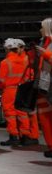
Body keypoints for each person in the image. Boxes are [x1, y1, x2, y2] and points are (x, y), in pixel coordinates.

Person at [0, 38, 27, 146]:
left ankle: (14, 136)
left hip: (10, 90)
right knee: (22, 113)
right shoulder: (24, 60)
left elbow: (1, 81)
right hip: (22, 90)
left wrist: (1, 86)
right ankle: (25, 136)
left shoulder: (5, 62)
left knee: (10, 113)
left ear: (7, 49)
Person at [15, 39, 40, 146]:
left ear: (22, 48)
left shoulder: (26, 58)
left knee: (24, 113)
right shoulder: (28, 57)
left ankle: (26, 136)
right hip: (32, 87)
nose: (16, 51)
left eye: (17, 48)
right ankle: (33, 136)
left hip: (27, 88)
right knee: (32, 113)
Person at [33, 18, 52, 157]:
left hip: (49, 85)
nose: (40, 29)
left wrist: (45, 54)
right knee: (45, 118)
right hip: (43, 85)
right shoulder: (43, 43)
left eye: (42, 27)